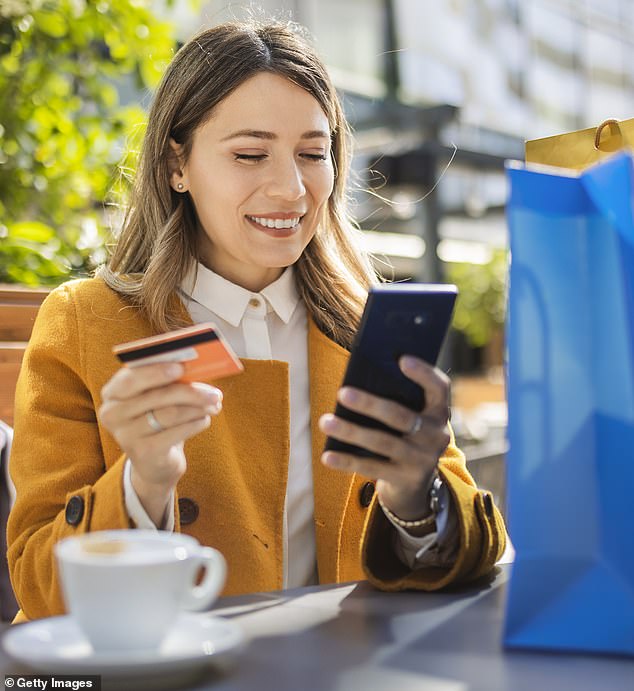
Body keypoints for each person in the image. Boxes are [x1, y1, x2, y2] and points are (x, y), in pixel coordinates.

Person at [7, 19, 506, 622]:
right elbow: (38, 587)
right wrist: (142, 484)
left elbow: (481, 554)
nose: (291, 188)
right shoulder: (87, 323)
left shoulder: (364, 329)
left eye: (312, 154)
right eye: (250, 154)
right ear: (176, 166)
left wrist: (415, 496)